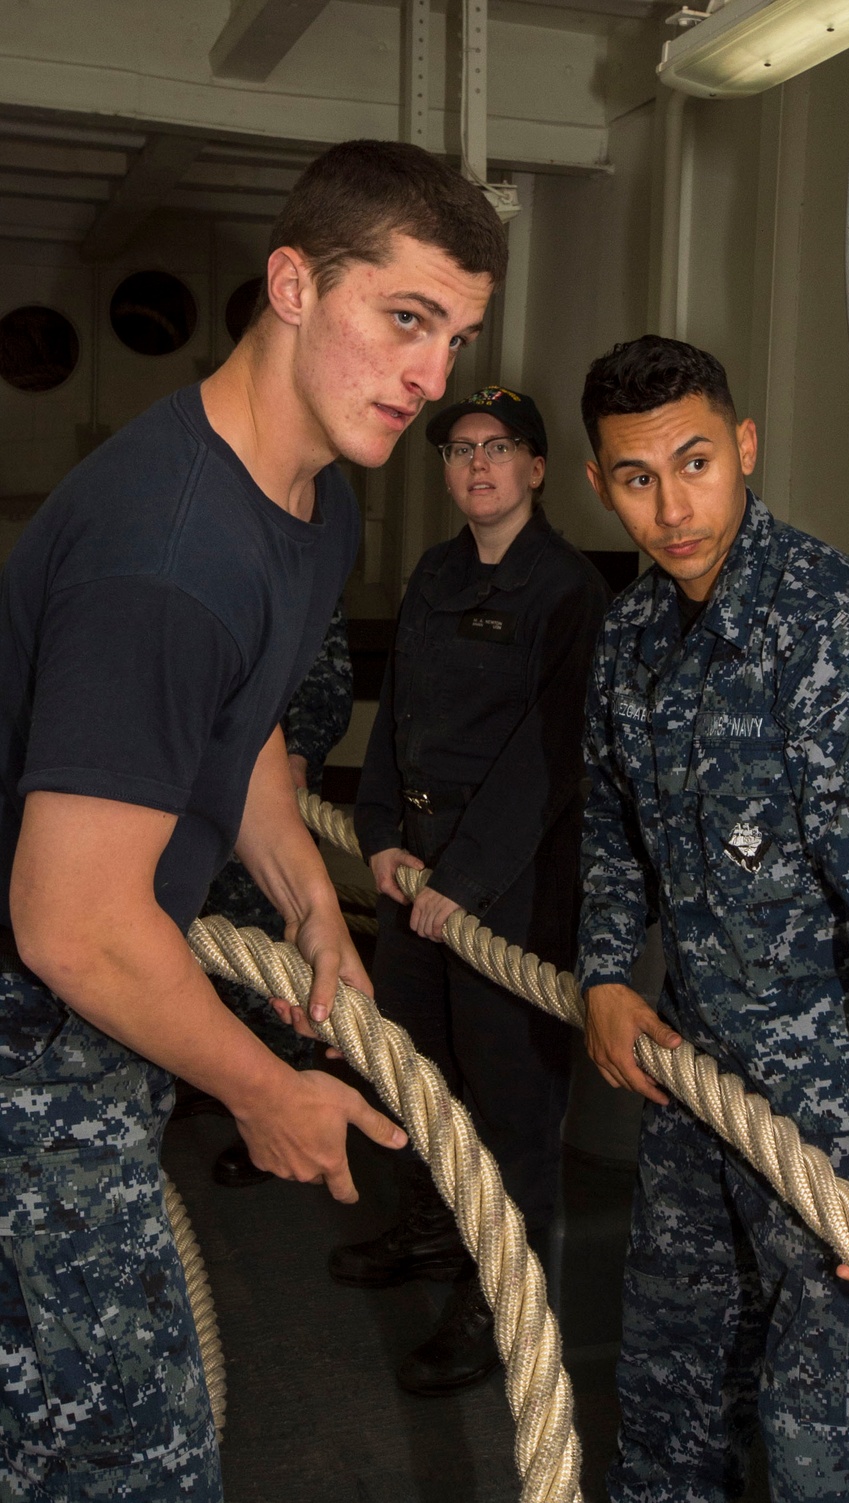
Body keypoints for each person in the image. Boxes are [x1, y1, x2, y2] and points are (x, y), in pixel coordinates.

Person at [0, 140, 505, 1501]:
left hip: (84, 1016)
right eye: (405, 319)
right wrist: (266, 1087)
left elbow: (256, 735)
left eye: (455, 336)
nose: (431, 375)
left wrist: (301, 895)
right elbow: (71, 925)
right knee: (132, 1459)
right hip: (29, 1038)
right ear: (292, 283)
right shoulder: (166, 556)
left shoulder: (313, 498)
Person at [576, 335, 849, 1503]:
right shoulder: (630, 638)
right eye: (637, 478)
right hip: (698, 1091)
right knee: (666, 1397)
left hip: (843, 1127)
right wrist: (607, 969)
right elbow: (611, 819)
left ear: (744, 447)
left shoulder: (842, 637)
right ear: (601, 484)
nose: (673, 507)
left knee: (832, 1445)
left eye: (696, 462)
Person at [338, 385, 610, 1395]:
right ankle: (430, 1233)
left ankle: (508, 1299)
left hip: (507, 892)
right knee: (414, 1075)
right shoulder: (438, 571)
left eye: (499, 448)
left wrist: (462, 881)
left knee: (510, 1109)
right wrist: (374, 837)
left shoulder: (568, 592)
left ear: (536, 469)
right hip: (415, 879)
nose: (478, 465)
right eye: (458, 449)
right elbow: (399, 715)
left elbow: (550, 763)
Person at [203, 605, 354, 1188]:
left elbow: (325, 680)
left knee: (274, 957)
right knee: (199, 943)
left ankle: (279, 1099)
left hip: (264, 796)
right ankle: (212, 1077)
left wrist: (295, 760)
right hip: (189, 793)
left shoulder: (300, 569)